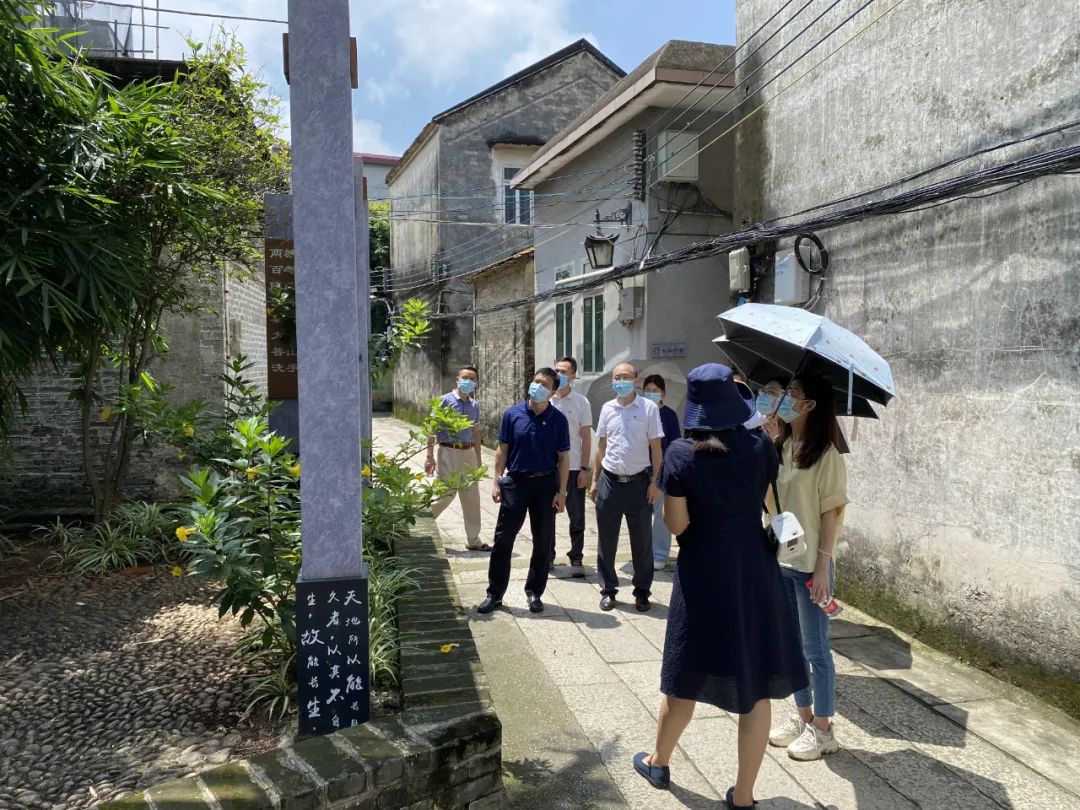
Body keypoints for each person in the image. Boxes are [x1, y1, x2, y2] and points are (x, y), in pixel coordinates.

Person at [632, 364, 807, 807]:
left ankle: (658, 761)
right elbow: (763, 501)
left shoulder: (680, 454)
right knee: (755, 682)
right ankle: (744, 796)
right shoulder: (761, 445)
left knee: (685, 672)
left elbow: (677, 525)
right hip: (754, 570)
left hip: (703, 572)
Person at [761, 373, 849, 761]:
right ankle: (803, 717)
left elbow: (831, 513)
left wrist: (823, 567)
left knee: (816, 650)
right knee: (792, 647)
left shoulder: (826, 455)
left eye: (792, 394)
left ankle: (824, 729)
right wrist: (766, 446)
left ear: (810, 405)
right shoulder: (780, 446)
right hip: (782, 558)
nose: (783, 399)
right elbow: (767, 500)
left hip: (811, 565)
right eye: (784, 393)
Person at [477, 368, 570, 615]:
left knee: (542, 542)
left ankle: (534, 592)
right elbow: (502, 449)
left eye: (544, 384)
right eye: (536, 381)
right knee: (503, 540)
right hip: (516, 483)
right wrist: (497, 480)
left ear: (552, 392)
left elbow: (563, 458)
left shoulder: (559, 420)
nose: (537, 386)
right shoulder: (512, 414)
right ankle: (494, 594)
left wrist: (562, 492)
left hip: (545, 485)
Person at [591, 363, 663, 612]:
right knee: (606, 540)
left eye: (625, 377)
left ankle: (642, 591)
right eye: (616, 377)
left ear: (635, 380)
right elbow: (601, 446)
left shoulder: (648, 408)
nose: (620, 381)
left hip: (639, 483)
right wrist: (595, 480)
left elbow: (656, 448)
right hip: (610, 481)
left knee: (642, 541)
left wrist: (655, 482)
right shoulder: (607, 408)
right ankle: (608, 590)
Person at [426, 366, 485, 551]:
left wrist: (478, 458)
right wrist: (429, 456)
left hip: (468, 453)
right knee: (445, 494)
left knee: (472, 497)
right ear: (457, 379)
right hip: (448, 451)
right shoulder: (443, 401)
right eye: (465, 377)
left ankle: (473, 540)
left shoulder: (474, 405)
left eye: (473, 379)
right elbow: (432, 429)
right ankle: (420, 525)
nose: (469, 381)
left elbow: (476, 433)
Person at [550, 357, 593, 577]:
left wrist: (585, 468)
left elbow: (586, 438)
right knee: (547, 515)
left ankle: (576, 557)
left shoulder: (581, 402)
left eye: (564, 371)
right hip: (549, 468)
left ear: (573, 376)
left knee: (577, 517)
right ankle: (548, 556)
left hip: (574, 467)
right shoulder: (546, 400)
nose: (559, 375)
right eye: (556, 370)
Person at [641, 374, 681, 571]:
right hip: (640, 471)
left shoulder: (669, 415)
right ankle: (642, 552)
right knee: (640, 515)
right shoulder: (639, 412)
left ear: (663, 393)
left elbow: (674, 445)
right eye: (647, 390)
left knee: (660, 515)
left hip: (661, 473)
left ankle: (660, 554)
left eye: (655, 390)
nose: (651, 394)